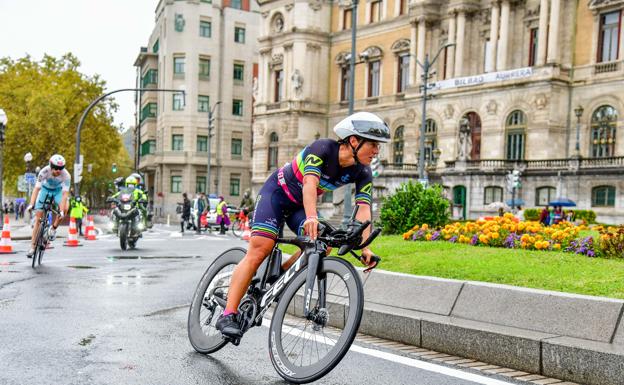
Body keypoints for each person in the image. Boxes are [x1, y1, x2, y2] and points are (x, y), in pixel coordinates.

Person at [215, 111, 388, 339]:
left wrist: (365, 247)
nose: (377, 151)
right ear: (354, 141)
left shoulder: (363, 171)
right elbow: (309, 184)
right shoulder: (323, 149)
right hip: (276, 196)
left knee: (323, 245)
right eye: (373, 144)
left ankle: (280, 276)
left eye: (379, 146)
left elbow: (364, 209)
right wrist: (312, 217)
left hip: (298, 208)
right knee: (261, 249)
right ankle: (227, 313)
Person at [26, 155, 71, 258]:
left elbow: (65, 195)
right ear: (51, 166)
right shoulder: (44, 171)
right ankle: (32, 247)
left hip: (58, 192)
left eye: (61, 168)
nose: (58, 171)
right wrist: (31, 204)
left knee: (65, 208)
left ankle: (53, 229)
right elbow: (36, 189)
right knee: (38, 219)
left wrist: (61, 210)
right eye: (55, 168)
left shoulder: (66, 176)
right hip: (45, 190)